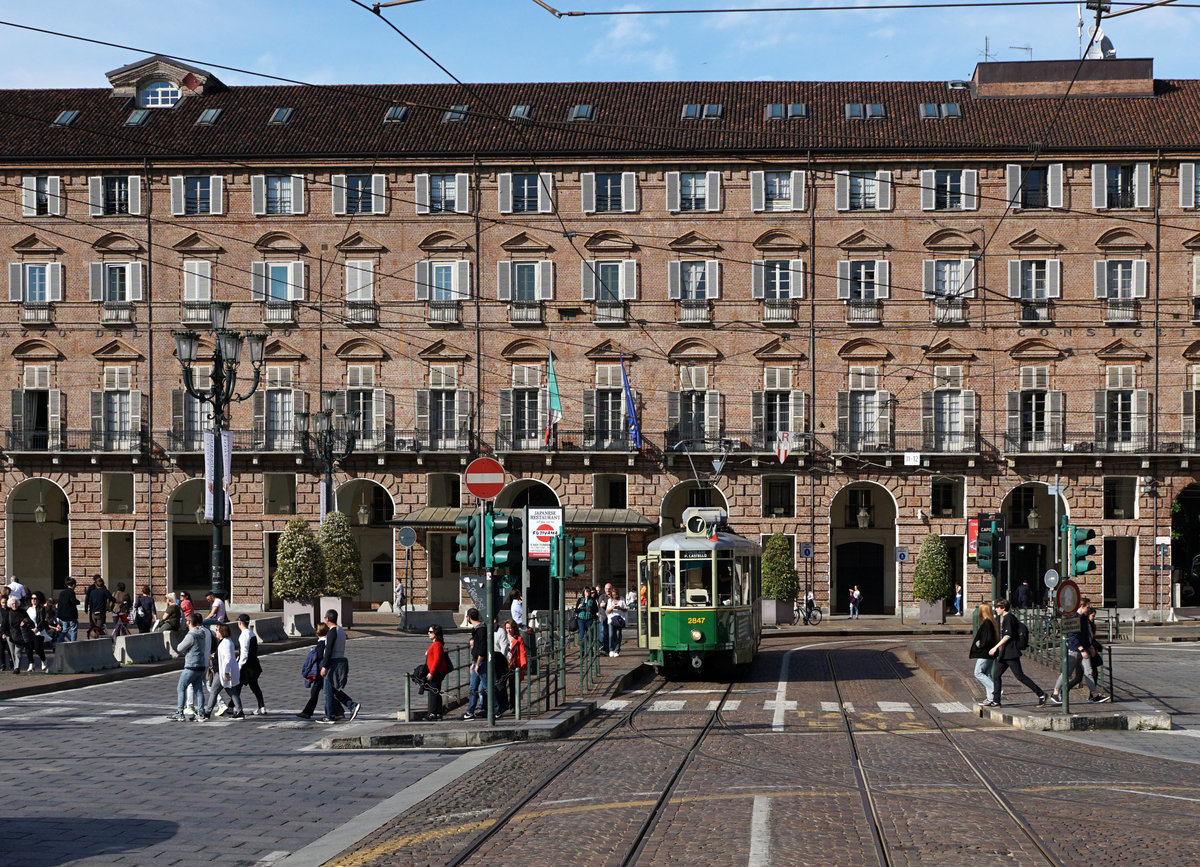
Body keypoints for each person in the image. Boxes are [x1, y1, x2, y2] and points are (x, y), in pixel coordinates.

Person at [987, 599, 1048, 709]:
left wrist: (995, 648)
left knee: (1020, 676)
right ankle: (996, 701)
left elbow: (1008, 635)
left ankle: (1041, 694)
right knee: (996, 675)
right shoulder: (1007, 618)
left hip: (1010, 652)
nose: (995, 609)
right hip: (1005, 653)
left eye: (997, 607)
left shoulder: (1008, 618)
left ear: (1003, 608)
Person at [1049, 598, 1109, 704]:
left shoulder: (1084, 619)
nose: (1089, 609)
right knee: (1067, 673)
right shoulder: (1074, 618)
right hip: (1074, 650)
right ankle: (1055, 693)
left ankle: (1094, 695)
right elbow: (1072, 636)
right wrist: (1081, 649)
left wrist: (1089, 646)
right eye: (1088, 607)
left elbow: (1085, 635)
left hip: (1084, 650)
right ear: (1082, 606)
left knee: (1088, 672)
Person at [318, 609, 359, 724]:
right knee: (333, 689)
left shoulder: (332, 632)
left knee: (327, 691)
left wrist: (324, 666)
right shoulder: (341, 630)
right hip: (340, 659)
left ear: (327, 619)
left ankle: (329, 715)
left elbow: (329, 650)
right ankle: (350, 706)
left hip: (332, 662)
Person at [168, 613, 211, 721]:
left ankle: (180, 712)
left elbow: (179, 647)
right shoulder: (202, 633)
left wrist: (186, 650)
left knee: (181, 687)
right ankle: (201, 713)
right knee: (199, 691)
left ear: (189, 622)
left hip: (191, 665)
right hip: (200, 665)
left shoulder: (191, 635)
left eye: (187, 621)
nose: (186, 622)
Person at [199, 623, 244, 721]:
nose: (216, 632)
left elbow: (227, 658)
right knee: (231, 691)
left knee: (214, 691)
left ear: (222, 632)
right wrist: (214, 656)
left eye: (217, 630)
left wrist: (226, 672)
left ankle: (207, 713)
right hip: (222, 672)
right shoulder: (225, 642)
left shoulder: (226, 643)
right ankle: (240, 711)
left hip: (222, 672)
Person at [297, 623, 329, 720]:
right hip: (321, 672)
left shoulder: (321, 643)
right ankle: (339, 710)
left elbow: (319, 657)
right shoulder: (326, 641)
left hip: (319, 672)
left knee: (316, 692)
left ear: (318, 632)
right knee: (325, 692)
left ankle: (307, 712)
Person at [237, 614, 267, 715]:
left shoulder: (243, 635)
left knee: (237, 686)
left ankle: (233, 706)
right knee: (254, 686)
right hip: (255, 664)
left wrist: (239, 666)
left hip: (247, 666)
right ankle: (262, 706)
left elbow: (244, 653)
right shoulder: (251, 633)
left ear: (240, 623)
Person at [462, 608, 489, 720]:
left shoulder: (480, 629)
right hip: (477, 661)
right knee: (474, 687)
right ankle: (471, 710)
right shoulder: (479, 629)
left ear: (468, 617)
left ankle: (496, 708)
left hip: (480, 662)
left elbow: (481, 649)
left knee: (485, 686)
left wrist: (477, 664)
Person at [969, 602, 999, 702]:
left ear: (983, 611)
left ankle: (995, 689)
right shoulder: (991, 622)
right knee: (987, 673)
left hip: (985, 652)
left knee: (978, 672)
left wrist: (979, 644)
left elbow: (987, 639)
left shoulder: (987, 623)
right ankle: (991, 698)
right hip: (990, 653)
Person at [423, 624, 452, 721]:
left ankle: (433, 713)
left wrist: (431, 673)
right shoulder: (436, 644)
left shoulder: (437, 644)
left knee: (433, 692)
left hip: (436, 672)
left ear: (436, 633)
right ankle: (438, 712)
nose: (429, 633)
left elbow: (437, 660)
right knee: (436, 691)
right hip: (436, 671)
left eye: (431, 632)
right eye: (428, 631)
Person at [504, 618, 527, 714]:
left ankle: (513, 706)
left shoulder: (519, 639)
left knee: (514, 687)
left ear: (514, 629)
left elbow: (522, 653)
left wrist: (523, 666)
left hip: (514, 665)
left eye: (510, 628)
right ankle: (504, 704)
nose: (508, 630)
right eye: (507, 628)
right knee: (502, 686)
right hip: (504, 665)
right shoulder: (503, 637)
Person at [22, 592, 48, 672]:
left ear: (38, 600)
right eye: (32, 598)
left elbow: (42, 620)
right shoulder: (27, 608)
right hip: (28, 630)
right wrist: (22, 622)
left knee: (37, 648)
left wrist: (37, 628)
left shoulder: (41, 609)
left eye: (35, 598)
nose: (33, 600)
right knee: (28, 648)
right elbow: (23, 617)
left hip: (37, 631)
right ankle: (31, 664)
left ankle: (44, 660)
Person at [3, 597, 28, 674]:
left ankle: (17, 667)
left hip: (20, 635)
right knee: (12, 652)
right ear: (10, 605)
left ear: (18, 603)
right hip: (10, 635)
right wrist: (3, 633)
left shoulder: (22, 612)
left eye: (16, 603)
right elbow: (4, 624)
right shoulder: (8, 613)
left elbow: (28, 619)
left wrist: (24, 622)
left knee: (17, 651)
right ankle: (15, 666)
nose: (14, 605)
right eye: (13, 603)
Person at [606, 587, 629, 657]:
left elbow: (626, 609)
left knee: (618, 635)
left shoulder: (622, 599)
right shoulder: (609, 600)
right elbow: (607, 611)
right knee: (611, 635)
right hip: (611, 619)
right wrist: (612, 608)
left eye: (616, 595)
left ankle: (617, 650)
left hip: (619, 619)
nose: (614, 596)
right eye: (613, 595)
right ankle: (611, 649)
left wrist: (620, 608)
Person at [597, 583, 612, 654]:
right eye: (606, 588)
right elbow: (601, 605)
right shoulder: (602, 596)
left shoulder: (613, 596)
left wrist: (605, 604)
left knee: (611, 634)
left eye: (609, 588)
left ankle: (609, 649)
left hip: (612, 618)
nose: (608, 590)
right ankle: (604, 648)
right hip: (604, 617)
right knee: (604, 634)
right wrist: (609, 605)